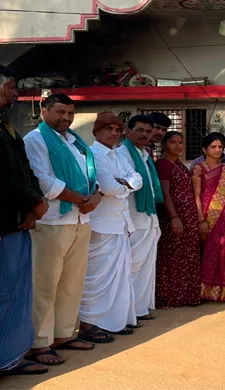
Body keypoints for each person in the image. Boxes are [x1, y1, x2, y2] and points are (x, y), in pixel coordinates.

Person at [0, 64, 49, 377]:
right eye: (12, 87)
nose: (16, 93)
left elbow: (25, 171)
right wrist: (34, 201)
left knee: (17, 294)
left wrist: (35, 205)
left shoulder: (2, 122)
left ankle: (7, 357)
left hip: (19, 220)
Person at [24, 93, 102, 365]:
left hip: (79, 219)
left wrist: (95, 197)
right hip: (53, 220)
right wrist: (81, 199)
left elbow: (90, 177)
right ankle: (39, 343)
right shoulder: (35, 139)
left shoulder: (75, 141)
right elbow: (43, 180)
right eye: (60, 112)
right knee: (45, 284)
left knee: (72, 283)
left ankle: (64, 334)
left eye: (70, 113)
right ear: (44, 110)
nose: (66, 118)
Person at [79, 112, 142, 341]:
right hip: (102, 223)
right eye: (108, 129)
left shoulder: (118, 154)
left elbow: (137, 178)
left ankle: (112, 322)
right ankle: (88, 323)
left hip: (120, 222)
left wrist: (125, 185)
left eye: (117, 130)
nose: (114, 134)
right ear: (96, 131)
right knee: (96, 276)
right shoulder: (93, 154)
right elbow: (106, 187)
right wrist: (125, 186)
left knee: (119, 277)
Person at [118, 115, 163, 320]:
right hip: (133, 216)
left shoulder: (144, 154)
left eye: (148, 131)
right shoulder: (122, 153)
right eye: (140, 130)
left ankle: (140, 308)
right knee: (133, 264)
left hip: (148, 215)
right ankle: (127, 312)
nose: (144, 135)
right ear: (128, 132)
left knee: (146, 264)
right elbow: (123, 183)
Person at [192, 133, 225, 301]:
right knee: (211, 251)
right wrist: (200, 219)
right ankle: (208, 291)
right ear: (204, 149)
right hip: (208, 215)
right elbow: (196, 195)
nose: (218, 150)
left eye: (220, 147)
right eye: (213, 147)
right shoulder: (199, 168)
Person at [155, 131, 202, 308]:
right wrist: (174, 217)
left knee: (187, 256)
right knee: (172, 257)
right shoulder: (163, 164)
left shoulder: (180, 165)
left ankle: (186, 296)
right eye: (173, 142)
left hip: (188, 217)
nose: (177, 145)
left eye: (180, 142)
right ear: (164, 145)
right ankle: (170, 297)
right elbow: (165, 193)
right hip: (174, 217)